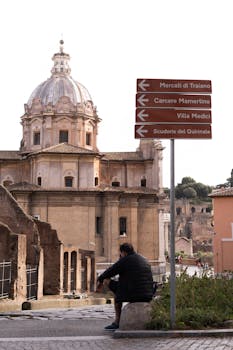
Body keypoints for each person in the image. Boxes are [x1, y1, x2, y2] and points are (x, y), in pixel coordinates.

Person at [96, 242, 154, 330]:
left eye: (121, 253)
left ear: (123, 252)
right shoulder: (144, 259)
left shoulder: (125, 260)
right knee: (120, 287)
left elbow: (110, 272)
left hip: (132, 293)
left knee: (109, 284)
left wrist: (100, 281)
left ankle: (117, 322)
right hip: (148, 294)